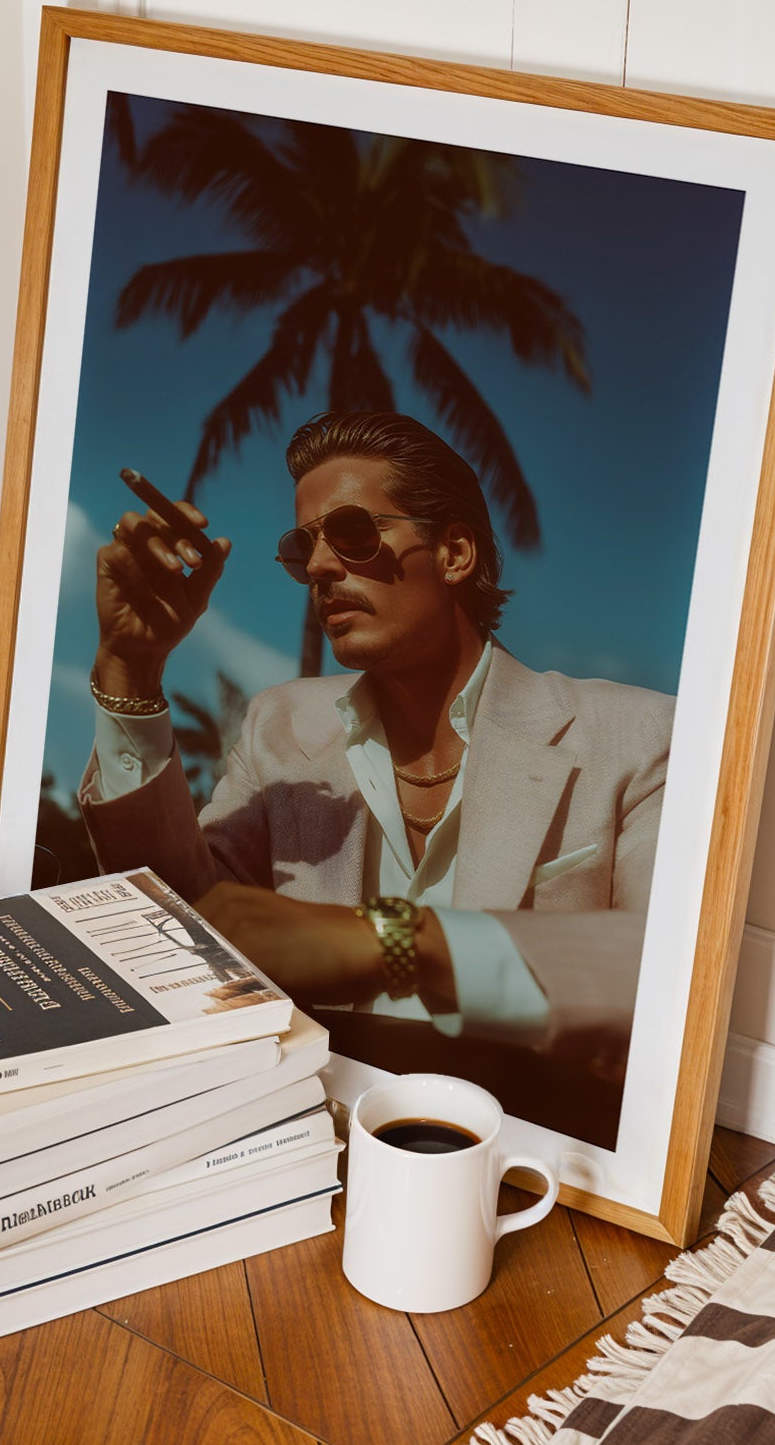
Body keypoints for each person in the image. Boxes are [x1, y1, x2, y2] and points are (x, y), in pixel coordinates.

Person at [77, 411, 674, 1107]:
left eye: (355, 533)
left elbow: (676, 978)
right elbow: (177, 928)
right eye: (304, 550)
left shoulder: (637, 735)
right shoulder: (282, 728)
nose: (322, 568)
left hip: (521, 1147)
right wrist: (130, 669)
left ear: (454, 553)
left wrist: (396, 943)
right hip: (302, 1126)